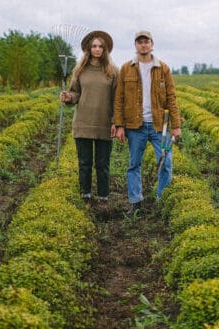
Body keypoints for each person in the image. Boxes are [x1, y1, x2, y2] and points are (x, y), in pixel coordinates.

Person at [114, 30, 181, 215]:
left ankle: (162, 198)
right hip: (136, 126)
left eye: (146, 41)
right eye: (140, 42)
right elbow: (119, 98)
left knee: (166, 162)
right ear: (135, 45)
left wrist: (176, 126)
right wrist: (119, 125)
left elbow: (171, 98)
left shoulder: (163, 68)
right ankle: (136, 202)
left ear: (152, 44)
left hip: (160, 126)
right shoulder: (126, 69)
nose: (143, 45)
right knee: (134, 164)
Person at [60, 30, 118, 202]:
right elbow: (75, 93)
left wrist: (116, 122)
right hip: (83, 123)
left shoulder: (113, 71)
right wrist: (68, 97)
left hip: (104, 123)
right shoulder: (80, 70)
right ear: (88, 48)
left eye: (100, 46)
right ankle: (84, 195)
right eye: (94, 46)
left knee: (102, 165)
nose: (97, 49)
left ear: (105, 49)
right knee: (84, 164)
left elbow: (117, 99)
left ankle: (103, 197)